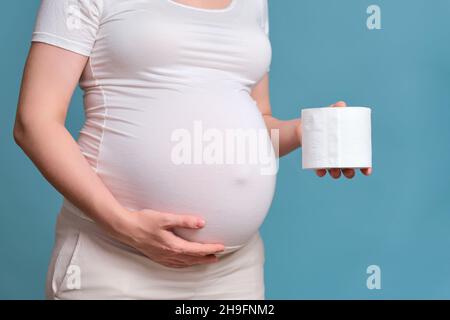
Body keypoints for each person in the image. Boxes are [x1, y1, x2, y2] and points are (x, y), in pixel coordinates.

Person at [13, 0, 371, 300]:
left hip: (231, 273)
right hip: (114, 261)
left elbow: (256, 122)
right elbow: (35, 121)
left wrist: (304, 132)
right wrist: (125, 226)